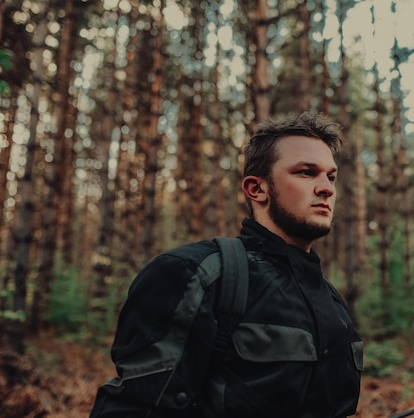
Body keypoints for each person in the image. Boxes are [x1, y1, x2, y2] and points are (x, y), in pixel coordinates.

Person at [89, 112, 363, 418]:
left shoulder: (331, 301)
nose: (326, 188)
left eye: (331, 176)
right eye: (306, 172)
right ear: (257, 189)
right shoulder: (196, 274)